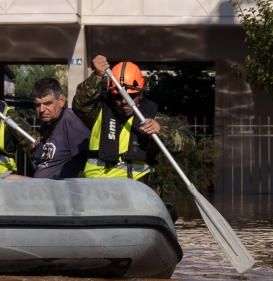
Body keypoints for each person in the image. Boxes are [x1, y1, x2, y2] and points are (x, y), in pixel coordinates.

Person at [72, 56, 195, 215]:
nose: (124, 101)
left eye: (131, 95)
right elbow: (79, 104)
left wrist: (161, 132)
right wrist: (96, 76)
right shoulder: (97, 113)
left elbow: (189, 145)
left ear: (141, 93)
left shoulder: (155, 119)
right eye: (118, 96)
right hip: (95, 191)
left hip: (136, 194)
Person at [28, 77, 89, 179]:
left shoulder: (71, 122)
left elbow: (88, 160)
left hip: (61, 191)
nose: (42, 109)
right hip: (42, 187)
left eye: (47, 103)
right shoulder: (46, 124)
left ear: (61, 101)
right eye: (37, 104)